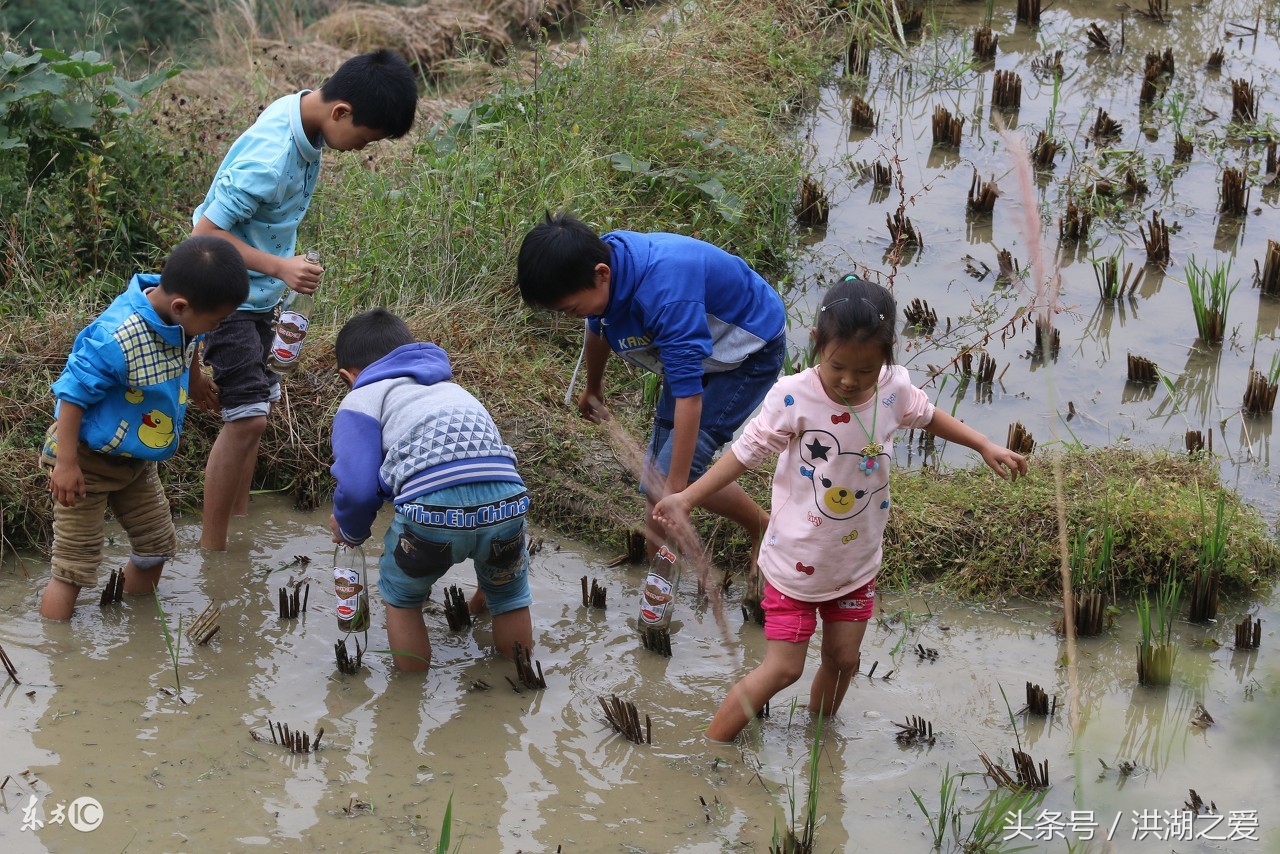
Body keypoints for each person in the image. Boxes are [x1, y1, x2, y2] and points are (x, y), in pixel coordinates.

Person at [654, 275, 1028, 741]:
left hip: (855, 563)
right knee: (783, 669)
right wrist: (687, 496)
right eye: (837, 367)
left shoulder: (893, 390)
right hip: (794, 564)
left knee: (844, 660)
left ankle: (819, 743)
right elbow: (745, 452)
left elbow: (928, 415)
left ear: (888, 356)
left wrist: (983, 444)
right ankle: (712, 745)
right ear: (816, 345)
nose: (850, 381)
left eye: (865, 371)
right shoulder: (794, 396)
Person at [192, 49, 419, 550]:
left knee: (256, 414)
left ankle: (240, 522)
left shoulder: (307, 122)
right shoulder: (272, 156)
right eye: (364, 139)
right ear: (341, 112)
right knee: (246, 416)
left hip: (260, 299)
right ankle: (213, 550)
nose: (361, 149)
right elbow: (203, 237)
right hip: (227, 298)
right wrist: (279, 266)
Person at [516, 212, 786, 566]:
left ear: (602, 274)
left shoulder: (665, 297)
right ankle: (653, 584)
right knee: (656, 483)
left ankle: (764, 526)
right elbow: (597, 325)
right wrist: (592, 387)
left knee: (677, 479)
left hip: (748, 348)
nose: (570, 317)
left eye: (570, 309)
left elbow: (689, 398)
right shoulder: (605, 268)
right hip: (696, 349)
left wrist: (677, 493)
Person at [40, 236, 249, 620]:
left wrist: (196, 375)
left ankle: (132, 625)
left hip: (135, 462)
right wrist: (65, 464)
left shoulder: (182, 316)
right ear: (180, 306)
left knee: (156, 547)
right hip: (85, 462)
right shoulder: (118, 336)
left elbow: (192, 337)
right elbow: (72, 394)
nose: (216, 328)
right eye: (217, 320)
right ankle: (57, 654)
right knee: (74, 566)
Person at [328, 308, 533, 673]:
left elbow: (357, 490)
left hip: (433, 511)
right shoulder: (451, 389)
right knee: (512, 596)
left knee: (403, 599)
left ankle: (408, 693)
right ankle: (516, 683)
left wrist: (349, 532)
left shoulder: (361, 399)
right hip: (507, 502)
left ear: (349, 376)